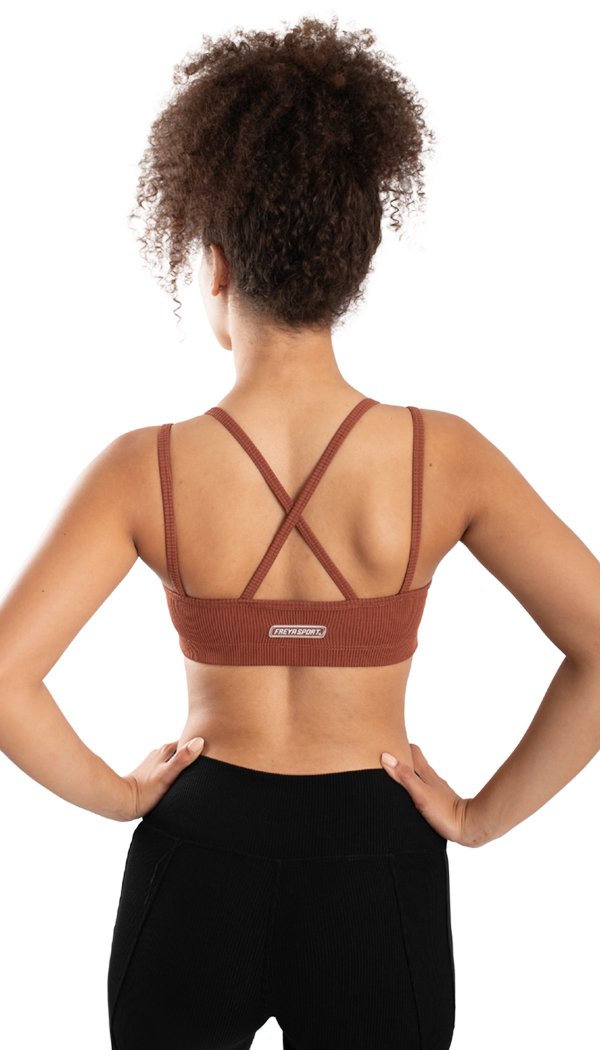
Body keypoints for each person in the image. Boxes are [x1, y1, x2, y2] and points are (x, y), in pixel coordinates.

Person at [1, 14, 599, 1050]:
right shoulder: (444, 457)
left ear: (214, 266)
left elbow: (6, 676)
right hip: (378, 862)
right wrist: (479, 818)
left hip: (198, 857)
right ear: (354, 263)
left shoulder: (145, 467)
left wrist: (119, 794)